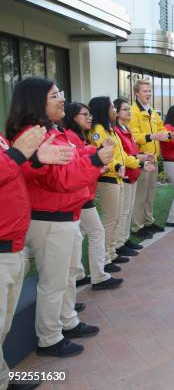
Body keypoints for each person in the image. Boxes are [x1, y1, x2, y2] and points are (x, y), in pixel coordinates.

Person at [6, 77, 113, 358]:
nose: (61, 99)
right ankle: (49, 337)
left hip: (64, 215)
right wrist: (96, 161)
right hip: (49, 218)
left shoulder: (51, 130)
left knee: (66, 276)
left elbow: (72, 159)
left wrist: (91, 154)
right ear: (37, 101)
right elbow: (60, 180)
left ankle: (66, 321)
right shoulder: (36, 135)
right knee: (53, 281)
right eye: (55, 95)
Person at [0, 125, 75, 389]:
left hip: (13, 243)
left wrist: (34, 161)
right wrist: (17, 155)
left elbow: (16, 175)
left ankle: (3, 378)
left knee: (3, 325)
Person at [63, 103, 124, 290]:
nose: (89, 118)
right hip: (78, 195)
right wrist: (97, 154)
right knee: (96, 232)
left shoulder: (80, 136)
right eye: (84, 115)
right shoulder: (70, 136)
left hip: (83, 193)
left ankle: (80, 274)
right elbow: (76, 163)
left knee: (80, 236)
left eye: (90, 114)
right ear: (74, 117)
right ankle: (98, 276)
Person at [88, 96, 142, 268]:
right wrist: (117, 165)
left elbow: (122, 155)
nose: (115, 110)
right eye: (112, 107)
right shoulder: (97, 130)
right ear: (103, 110)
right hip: (107, 179)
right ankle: (104, 259)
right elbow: (103, 154)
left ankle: (111, 252)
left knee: (117, 218)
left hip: (117, 177)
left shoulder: (110, 129)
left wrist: (138, 162)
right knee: (110, 220)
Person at [129, 79, 172, 239]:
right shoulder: (133, 112)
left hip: (153, 158)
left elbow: (162, 129)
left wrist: (170, 135)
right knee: (140, 195)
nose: (148, 93)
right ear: (137, 93)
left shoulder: (152, 112)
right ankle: (137, 226)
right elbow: (134, 136)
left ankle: (148, 221)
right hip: (142, 159)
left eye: (149, 90)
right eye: (145, 91)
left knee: (150, 193)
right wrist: (153, 136)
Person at [113, 98, 156, 249]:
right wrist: (141, 161)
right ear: (116, 113)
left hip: (133, 173)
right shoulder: (116, 131)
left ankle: (124, 240)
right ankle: (118, 244)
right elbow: (122, 154)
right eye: (125, 109)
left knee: (128, 210)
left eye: (129, 109)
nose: (129, 111)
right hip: (124, 174)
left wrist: (143, 155)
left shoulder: (126, 129)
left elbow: (132, 151)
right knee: (123, 212)